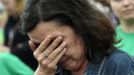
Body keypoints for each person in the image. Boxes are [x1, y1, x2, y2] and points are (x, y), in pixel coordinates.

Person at [21, 0, 134, 75]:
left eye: (56, 42)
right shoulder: (50, 70)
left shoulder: (118, 65)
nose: (50, 53)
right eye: (41, 46)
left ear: (80, 27)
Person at [1, 0, 38, 70]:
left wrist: (11, 50)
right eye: (3, 4)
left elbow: (31, 44)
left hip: (29, 66)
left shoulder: (29, 18)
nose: (5, 7)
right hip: (14, 62)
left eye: (6, 3)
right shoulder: (9, 19)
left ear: (18, 2)